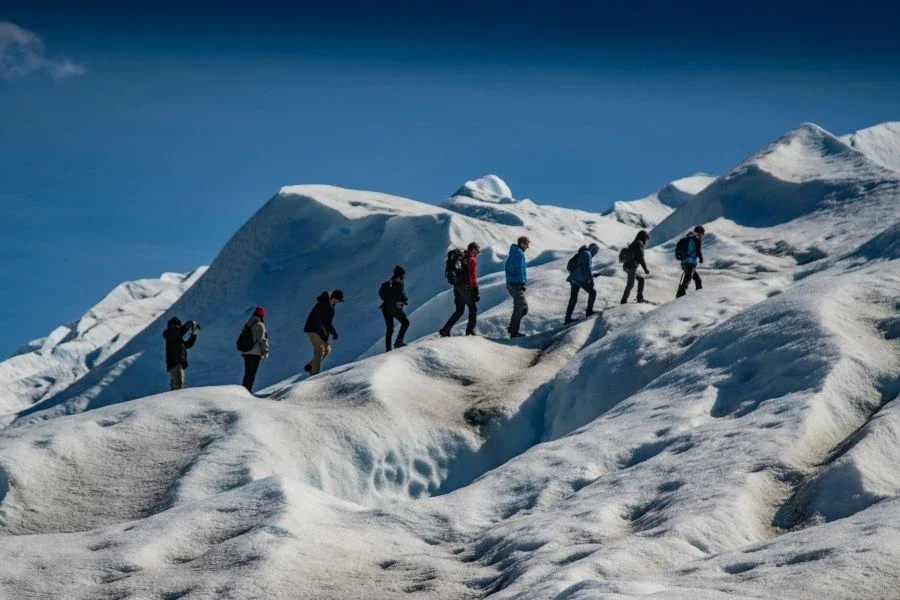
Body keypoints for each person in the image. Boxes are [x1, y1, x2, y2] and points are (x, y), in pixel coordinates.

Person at [439, 242, 480, 337]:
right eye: (477, 250)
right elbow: (472, 276)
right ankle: (469, 331)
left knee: (459, 310)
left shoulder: (462, 257)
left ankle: (445, 330)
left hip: (457, 287)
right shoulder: (471, 259)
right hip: (466, 287)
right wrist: (476, 290)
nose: (478, 252)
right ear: (473, 249)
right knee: (473, 309)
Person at [304, 290, 343, 375]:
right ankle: (314, 373)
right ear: (334, 298)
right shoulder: (322, 305)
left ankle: (311, 365)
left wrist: (334, 333)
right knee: (319, 349)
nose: (339, 302)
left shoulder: (331, 308)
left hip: (320, 331)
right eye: (339, 300)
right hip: (312, 329)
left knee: (327, 349)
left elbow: (327, 323)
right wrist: (323, 333)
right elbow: (318, 321)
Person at [565, 243, 600, 324]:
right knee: (593, 292)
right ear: (593, 249)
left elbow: (581, 267)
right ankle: (589, 312)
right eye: (595, 252)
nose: (595, 253)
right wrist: (591, 280)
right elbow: (586, 268)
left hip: (573, 278)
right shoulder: (587, 254)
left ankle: (567, 318)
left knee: (573, 298)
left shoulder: (583, 253)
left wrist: (593, 275)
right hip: (579, 279)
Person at [163, 317, 199, 390]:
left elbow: (188, 344)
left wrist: (194, 334)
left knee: (176, 389)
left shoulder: (175, 339)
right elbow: (182, 330)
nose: (178, 327)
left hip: (176, 365)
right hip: (176, 365)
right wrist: (191, 322)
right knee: (179, 390)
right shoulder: (171, 333)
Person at [505, 236, 530, 338]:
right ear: (522, 243)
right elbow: (518, 269)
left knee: (524, 308)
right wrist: (521, 282)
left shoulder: (515, 252)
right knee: (520, 308)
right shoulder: (518, 253)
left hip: (513, 283)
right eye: (527, 244)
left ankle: (513, 327)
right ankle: (514, 333)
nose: (528, 246)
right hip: (516, 284)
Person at [380, 266, 410, 352]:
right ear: (401, 274)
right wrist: (404, 300)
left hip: (385, 308)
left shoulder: (387, 283)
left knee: (390, 328)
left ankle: (388, 348)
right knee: (406, 322)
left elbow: (381, 295)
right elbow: (401, 294)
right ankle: (398, 341)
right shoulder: (399, 282)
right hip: (394, 307)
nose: (404, 277)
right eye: (404, 275)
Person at [240, 306, 269, 392]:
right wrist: (265, 352)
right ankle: (248, 391)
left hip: (246, 352)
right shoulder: (260, 324)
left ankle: (244, 391)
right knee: (252, 374)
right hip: (255, 353)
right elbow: (263, 339)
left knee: (247, 373)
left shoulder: (248, 323)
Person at [621, 230, 651, 304]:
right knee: (630, 284)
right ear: (643, 237)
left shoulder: (636, 242)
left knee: (641, 279)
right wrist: (645, 269)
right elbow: (640, 257)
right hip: (631, 267)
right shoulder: (639, 243)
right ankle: (623, 301)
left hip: (627, 266)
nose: (646, 240)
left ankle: (639, 298)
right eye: (646, 238)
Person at [676, 225, 705, 298]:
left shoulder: (688, 237)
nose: (702, 235)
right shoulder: (696, 238)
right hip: (690, 262)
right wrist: (701, 258)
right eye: (702, 233)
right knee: (688, 277)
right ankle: (681, 294)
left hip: (684, 262)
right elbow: (698, 250)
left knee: (697, 279)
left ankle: (698, 294)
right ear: (700, 232)